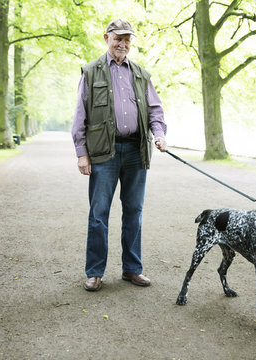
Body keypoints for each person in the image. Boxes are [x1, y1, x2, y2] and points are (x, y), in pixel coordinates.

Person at [71, 19, 167, 292]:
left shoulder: (141, 73)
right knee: (99, 214)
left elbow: (155, 110)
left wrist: (158, 134)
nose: (123, 44)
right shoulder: (91, 72)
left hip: (137, 151)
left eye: (127, 40)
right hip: (104, 153)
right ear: (106, 38)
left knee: (134, 212)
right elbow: (81, 114)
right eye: (118, 39)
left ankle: (132, 269)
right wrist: (82, 154)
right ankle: (95, 272)